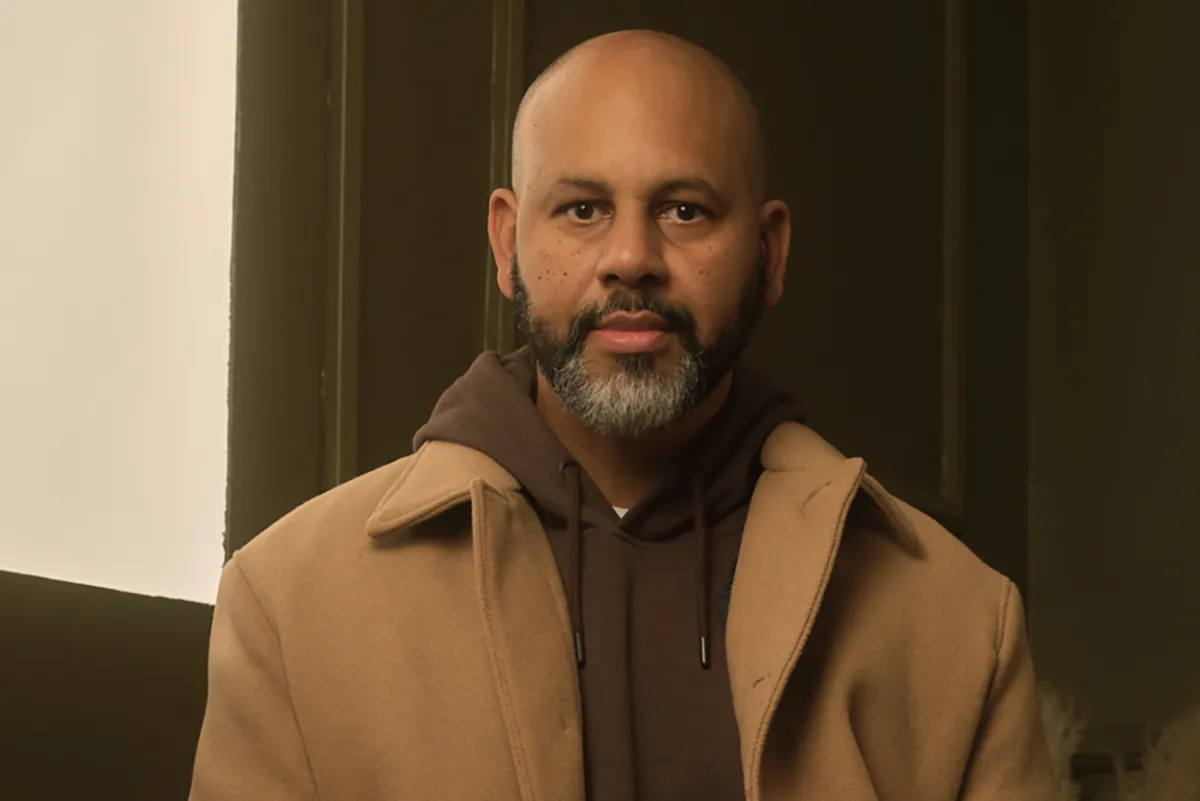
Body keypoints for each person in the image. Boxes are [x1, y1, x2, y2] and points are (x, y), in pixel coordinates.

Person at [189, 29, 1059, 801]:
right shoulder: (291, 602)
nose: (632, 258)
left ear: (770, 252)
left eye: (685, 210)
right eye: (583, 209)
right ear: (507, 243)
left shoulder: (958, 621)